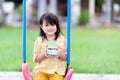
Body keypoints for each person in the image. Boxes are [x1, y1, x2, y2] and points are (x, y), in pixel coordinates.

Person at [33, 13, 66, 80]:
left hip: (57, 71)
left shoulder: (62, 40)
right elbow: (36, 59)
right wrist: (43, 54)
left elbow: (65, 58)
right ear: (41, 27)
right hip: (41, 70)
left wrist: (60, 53)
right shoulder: (39, 41)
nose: (50, 28)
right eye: (46, 25)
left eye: (52, 25)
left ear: (57, 25)